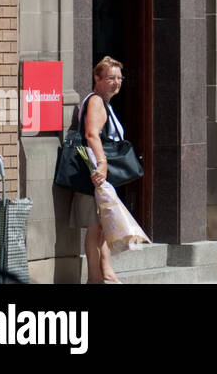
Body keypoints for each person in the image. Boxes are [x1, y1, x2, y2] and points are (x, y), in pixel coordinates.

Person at [69, 56, 129, 283]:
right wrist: (102, 165)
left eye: (119, 78)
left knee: (102, 228)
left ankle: (106, 274)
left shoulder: (104, 103)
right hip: (93, 174)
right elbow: (91, 135)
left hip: (98, 174)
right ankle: (95, 279)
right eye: (110, 78)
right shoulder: (95, 101)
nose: (116, 83)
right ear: (97, 79)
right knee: (95, 231)